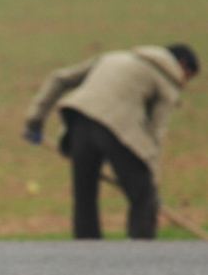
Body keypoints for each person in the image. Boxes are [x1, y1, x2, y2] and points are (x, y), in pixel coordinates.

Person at [22, 44, 199, 239]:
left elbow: (59, 78)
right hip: (118, 130)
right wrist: (151, 185)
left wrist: (34, 121)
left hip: (79, 123)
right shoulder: (166, 82)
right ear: (182, 65)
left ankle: (86, 252)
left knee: (84, 199)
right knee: (143, 200)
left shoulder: (114, 57)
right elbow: (155, 133)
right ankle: (142, 253)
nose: (184, 84)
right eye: (187, 77)